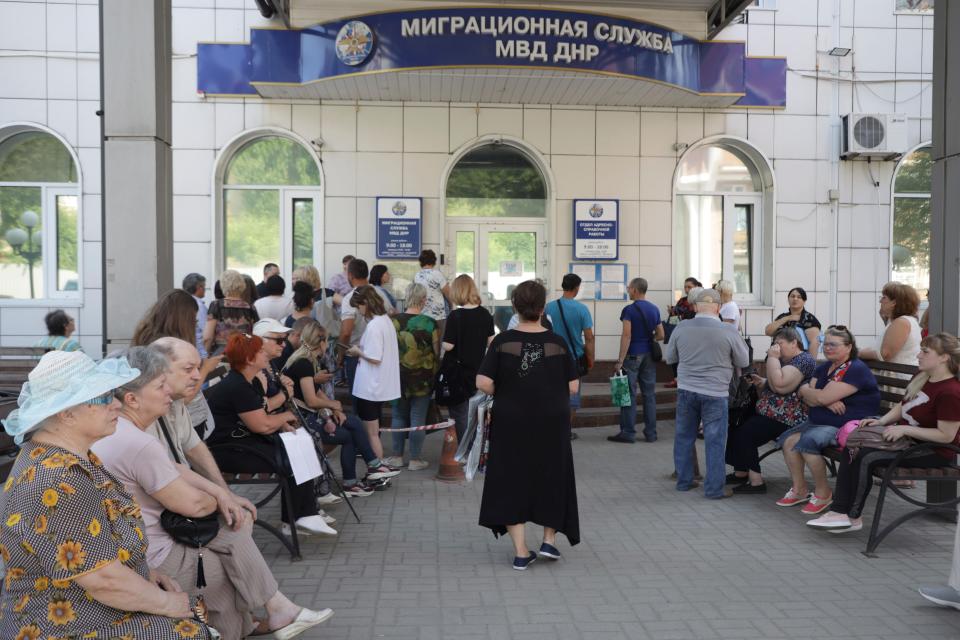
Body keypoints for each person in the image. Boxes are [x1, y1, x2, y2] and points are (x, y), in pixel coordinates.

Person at [93, 347, 333, 640]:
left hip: (139, 546)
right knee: (225, 564)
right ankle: (267, 615)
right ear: (131, 398)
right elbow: (191, 505)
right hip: (153, 555)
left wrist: (223, 496)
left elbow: (176, 466)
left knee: (231, 539)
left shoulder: (124, 431)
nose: (169, 389)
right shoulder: (139, 442)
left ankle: (268, 614)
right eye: (161, 384)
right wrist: (222, 501)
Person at [0, 351, 215, 639]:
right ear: (66, 414)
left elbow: (94, 548)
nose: (116, 405)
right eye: (102, 398)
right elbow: (103, 581)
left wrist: (145, 573)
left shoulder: (62, 455)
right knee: (194, 630)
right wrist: (167, 603)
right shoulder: (60, 479)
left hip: (81, 606)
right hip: (64, 624)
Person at [807, 332, 960, 533]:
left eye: (925, 351)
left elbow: (946, 436)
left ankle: (852, 516)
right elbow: (903, 405)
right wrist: (881, 421)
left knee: (866, 457)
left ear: (944, 357)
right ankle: (839, 512)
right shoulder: (922, 377)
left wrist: (904, 428)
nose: (918, 355)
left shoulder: (951, 392)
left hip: (934, 451)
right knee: (852, 446)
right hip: (908, 442)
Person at [476, 280, 580, 570]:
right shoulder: (557, 343)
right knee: (553, 474)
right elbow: (572, 386)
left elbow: (483, 381)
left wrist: (510, 391)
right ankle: (549, 540)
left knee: (510, 477)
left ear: (514, 307)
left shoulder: (503, 341)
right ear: (543, 308)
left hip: (512, 419)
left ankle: (521, 551)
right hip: (552, 420)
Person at [204, 333, 332, 536]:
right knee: (293, 454)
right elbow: (262, 425)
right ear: (249, 359)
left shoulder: (246, 381)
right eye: (260, 351)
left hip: (243, 443)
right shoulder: (238, 386)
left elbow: (263, 419)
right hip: (230, 451)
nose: (265, 354)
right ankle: (300, 517)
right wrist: (285, 418)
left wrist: (281, 424)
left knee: (301, 444)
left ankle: (303, 515)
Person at [282, 320, 399, 496]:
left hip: (311, 416)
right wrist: (332, 405)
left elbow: (317, 392)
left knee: (352, 424)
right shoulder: (303, 363)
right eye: (327, 342)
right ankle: (364, 473)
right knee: (350, 433)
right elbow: (312, 400)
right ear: (321, 342)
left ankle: (366, 472)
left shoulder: (309, 360)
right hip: (303, 421)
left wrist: (335, 410)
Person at [776, 326, 880, 514]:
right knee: (789, 442)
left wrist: (820, 397)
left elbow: (816, 396)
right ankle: (800, 490)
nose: (828, 348)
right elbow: (806, 393)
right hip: (821, 419)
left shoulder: (855, 369)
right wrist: (823, 399)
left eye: (834, 344)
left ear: (849, 347)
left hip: (844, 424)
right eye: (826, 343)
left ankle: (824, 493)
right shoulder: (824, 367)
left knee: (807, 443)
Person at [665, 288, 751, 499]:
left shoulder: (682, 327)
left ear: (694, 307)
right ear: (718, 307)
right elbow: (744, 361)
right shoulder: (728, 330)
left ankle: (684, 482)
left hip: (686, 389)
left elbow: (670, 358)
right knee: (715, 441)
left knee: (684, 437)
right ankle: (714, 489)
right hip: (716, 392)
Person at [725, 327, 817, 493]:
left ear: (794, 342)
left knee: (746, 433)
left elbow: (781, 386)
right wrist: (764, 381)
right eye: (774, 344)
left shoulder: (803, 360)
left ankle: (757, 483)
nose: (776, 347)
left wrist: (772, 358)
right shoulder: (786, 361)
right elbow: (780, 382)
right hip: (772, 413)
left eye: (779, 343)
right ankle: (741, 472)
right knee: (735, 425)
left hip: (788, 417)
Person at [131, 289, 224, 440]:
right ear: (182, 320)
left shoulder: (149, 339)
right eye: (193, 320)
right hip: (185, 424)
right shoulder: (164, 349)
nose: (196, 326)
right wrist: (205, 369)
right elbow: (180, 397)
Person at [384, 283, 441, 470]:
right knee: (418, 418)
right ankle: (415, 459)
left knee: (398, 415)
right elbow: (436, 350)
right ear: (423, 300)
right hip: (423, 378)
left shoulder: (393, 322)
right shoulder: (430, 323)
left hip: (397, 377)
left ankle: (397, 456)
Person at [347, 285, 401, 460]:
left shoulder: (374, 326)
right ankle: (378, 469)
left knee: (371, 434)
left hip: (370, 387)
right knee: (374, 432)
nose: (359, 312)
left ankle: (377, 469)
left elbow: (375, 357)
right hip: (378, 385)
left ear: (366, 304)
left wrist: (357, 352)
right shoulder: (385, 321)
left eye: (359, 306)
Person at [609, 277, 663, 444]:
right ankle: (651, 434)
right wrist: (649, 339)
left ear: (635, 290)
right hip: (648, 356)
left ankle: (628, 432)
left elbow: (627, 335)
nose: (627, 290)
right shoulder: (654, 309)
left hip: (632, 355)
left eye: (629, 288)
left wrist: (620, 360)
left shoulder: (629, 310)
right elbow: (661, 335)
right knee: (649, 395)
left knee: (627, 394)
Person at [442, 274, 495, 442]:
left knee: (459, 413)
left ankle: (464, 450)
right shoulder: (485, 314)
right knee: (475, 411)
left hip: (456, 372)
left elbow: (448, 346)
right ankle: (475, 448)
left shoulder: (455, 316)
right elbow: (491, 343)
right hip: (477, 370)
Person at [545, 274, 594, 440]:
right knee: (572, 397)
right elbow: (589, 338)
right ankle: (565, 432)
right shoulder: (582, 309)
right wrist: (590, 359)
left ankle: (551, 429)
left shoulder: (549, 307)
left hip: (551, 358)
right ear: (577, 288)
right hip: (574, 359)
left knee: (553, 394)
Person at [338, 258, 395, 394]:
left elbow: (346, 332)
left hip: (357, 353)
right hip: (380, 352)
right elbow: (393, 315)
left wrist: (340, 355)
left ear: (350, 275)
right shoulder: (380, 293)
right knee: (377, 396)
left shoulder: (350, 297)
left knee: (359, 396)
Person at [860, 281, 922, 366]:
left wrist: (858, 353)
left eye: (884, 297)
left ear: (894, 302)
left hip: (898, 376)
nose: (880, 301)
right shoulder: (901, 321)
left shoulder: (901, 322)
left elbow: (886, 354)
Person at [204, 269, 259, 354]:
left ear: (223, 285)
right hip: (244, 352)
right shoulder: (250, 307)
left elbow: (208, 337)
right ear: (242, 285)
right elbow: (253, 334)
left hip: (222, 352)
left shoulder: (216, 305)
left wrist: (205, 356)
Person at [764, 287, 822, 357]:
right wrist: (787, 318)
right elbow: (768, 332)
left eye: (799, 297)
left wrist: (810, 364)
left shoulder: (809, 319)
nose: (795, 299)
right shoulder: (782, 317)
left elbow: (814, 343)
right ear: (788, 299)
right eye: (792, 296)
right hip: (776, 357)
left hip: (797, 361)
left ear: (804, 301)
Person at [666, 278, 702, 388]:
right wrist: (672, 312)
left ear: (696, 287)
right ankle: (676, 378)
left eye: (689, 287)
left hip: (696, 337)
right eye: (685, 287)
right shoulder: (682, 300)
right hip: (681, 333)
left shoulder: (702, 301)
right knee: (676, 354)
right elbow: (675, 317)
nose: (686, 289)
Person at [414, 249, 451, 330]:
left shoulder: (417, 276)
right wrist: (452, 306)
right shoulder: (437, 274)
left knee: (425, 339)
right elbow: (448, 293)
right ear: (434, 261)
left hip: (422, 313)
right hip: (438, 314)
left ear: (421, 262)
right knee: (438, 339)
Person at [182, 272, 209, 358]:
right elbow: (205, 330)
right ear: (199, 287)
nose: (205, 289)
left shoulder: (182, 302)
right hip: (199, 351)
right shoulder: (199, 306)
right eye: (204, 287)